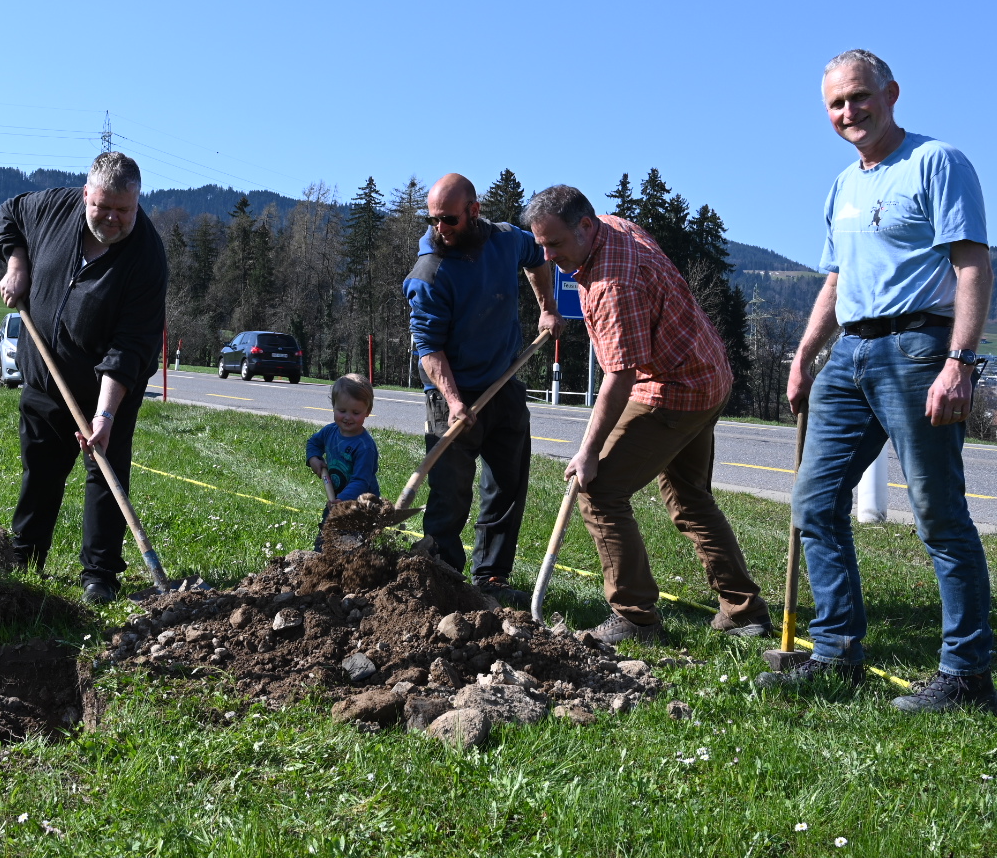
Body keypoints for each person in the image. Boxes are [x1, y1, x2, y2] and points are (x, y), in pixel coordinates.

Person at [757, 50, 997, 713]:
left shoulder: (936, 162)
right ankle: (836, 655)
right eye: (835, 104)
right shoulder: (842, 185)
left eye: (859, 97)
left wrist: (960, 361)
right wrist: (805, 354)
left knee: (939, 514)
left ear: (891, 93)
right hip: (850, 353)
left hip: (920, 349)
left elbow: (972, 266)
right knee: (813, 503)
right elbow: (835, 279)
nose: (848, 112)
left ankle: (967, 675)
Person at [526, 185, 770, 644]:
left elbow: (620, 378)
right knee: (690, 496)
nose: (549, 254)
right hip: (706, 371)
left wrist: (588, 453)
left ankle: (635, 619)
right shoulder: (613, 227)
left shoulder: (613, 284)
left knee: (597, 490)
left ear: (584, 226)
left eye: (554, 243)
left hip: (675, 388)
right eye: (541, 243)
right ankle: (744, 612)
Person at [0, 151, 168, 605]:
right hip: (43, 378)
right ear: (85, 193)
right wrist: (17, 264)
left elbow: (131, 346)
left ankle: (100, 574)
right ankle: (26, 556)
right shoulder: (52, 206)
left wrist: (105, 414)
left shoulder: (146, 257)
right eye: (102, 206)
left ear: (137, 202)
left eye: (123, 211)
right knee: (40, 471)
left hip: (107, 388)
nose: (111, 218)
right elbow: (8, 214)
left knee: (104, 474)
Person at [404, 173, 560, 605]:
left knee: (507, 485)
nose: (441, 229)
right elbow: (429, 351)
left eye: (449, 219)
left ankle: (491, 575)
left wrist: (548, 308)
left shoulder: (507, 239)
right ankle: (443, 574)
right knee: (450, 491)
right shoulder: (430, 273)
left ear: (474, 211)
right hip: (450, 391)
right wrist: (455, 402)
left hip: (505, 382)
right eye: (433, 219)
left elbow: (538, 257)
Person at [307, 373, 381, 549]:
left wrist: (343, 501)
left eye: (355, 413)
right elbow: (313, 443)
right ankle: (319, 560)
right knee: (326, 537)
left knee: (354, 545)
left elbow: (361, 481)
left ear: (367, 412)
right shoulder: (330, 431)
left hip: (360, 506)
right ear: (333, 407)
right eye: (342, 411)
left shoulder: (364, 447)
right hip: (336, 501)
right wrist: (313, 459)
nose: (348, 417)